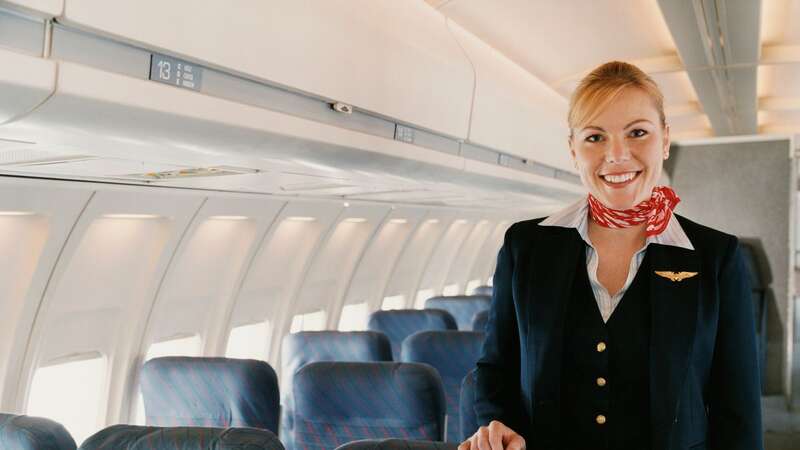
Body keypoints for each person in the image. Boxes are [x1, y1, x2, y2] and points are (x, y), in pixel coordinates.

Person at [459, 61, 763, 450]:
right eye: (595, 137)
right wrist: (496, 423)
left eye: (637, 133)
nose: (617, 155)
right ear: (573, 149)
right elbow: (496, 368)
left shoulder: (715, 257)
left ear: (665, 140)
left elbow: (737, 411)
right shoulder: (527, 247)